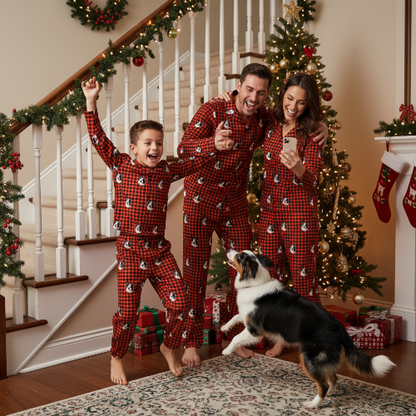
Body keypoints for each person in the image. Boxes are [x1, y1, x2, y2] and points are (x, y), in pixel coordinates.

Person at [177, 63, 328, 367]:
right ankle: (191, 341)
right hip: (201, 202)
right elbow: (183, 149)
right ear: (239, 86)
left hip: (236, 205)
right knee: (195, 275)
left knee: (254, 278)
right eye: (248, 89)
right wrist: (212, 143)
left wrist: (322, 126)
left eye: (260, 92)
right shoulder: (214, 110)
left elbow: (310, 153)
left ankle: (253, 339)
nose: (253, 96)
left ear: (267, 95)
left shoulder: (265, 119)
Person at [81, 77, 228, 385]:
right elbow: (98, 139)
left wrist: (213, 143)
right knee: (127, 314)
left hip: (159, 250)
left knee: (182, 304)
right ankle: (116, 358)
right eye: (148, 143)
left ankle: (168, 346)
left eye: (159, 143)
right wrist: (91, 102)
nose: (155, 148)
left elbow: (195, 161)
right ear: (134, 148)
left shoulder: (166, 170)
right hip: (131, 250)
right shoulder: (121, 164)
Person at [258, 73, 324, 358]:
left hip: (299, 214)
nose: (293, 107)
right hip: (270, 210)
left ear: (308, 105)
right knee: (272, 278)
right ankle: (282, 338)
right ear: (282, 94)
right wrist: (227, 97)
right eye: (289, 98)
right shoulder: (269, 122)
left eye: (301, 102)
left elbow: (313, 180)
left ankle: (311, 345)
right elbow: (245, 106)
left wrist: (299, 167)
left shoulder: (312, 133)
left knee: (303, 279)